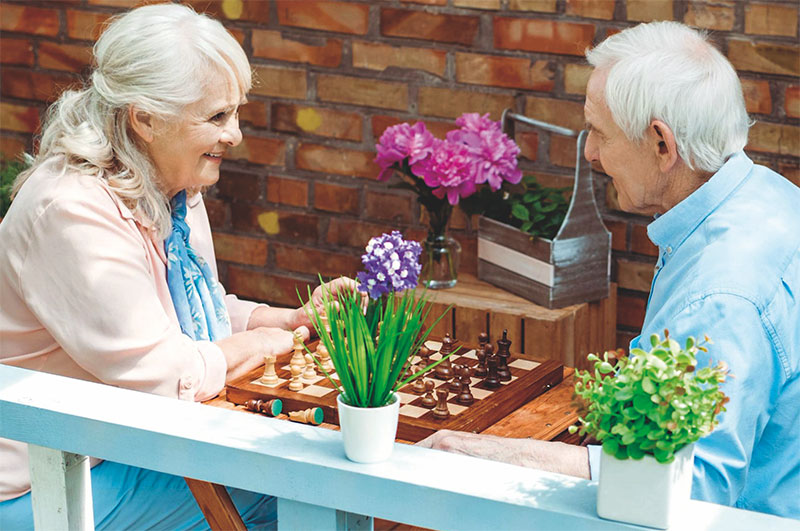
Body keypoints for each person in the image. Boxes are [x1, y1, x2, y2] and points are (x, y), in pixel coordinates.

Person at [419, 21, 799, 519]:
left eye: (599, 132)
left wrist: (487, 454)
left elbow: (688, 489)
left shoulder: (720, 298)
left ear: (662, 144)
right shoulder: (768, 194)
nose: (590, 153)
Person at [0, 4, 356, 529]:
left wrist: (279, 321)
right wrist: (261, 346)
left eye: (235, 112)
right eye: (216, 117)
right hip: (46, 478)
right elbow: (165, 375)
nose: (234, 134)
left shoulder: (171, 182)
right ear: (144, 118)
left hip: (111, 443)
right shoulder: (71, 210)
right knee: (305, 488)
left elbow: (186, 313)